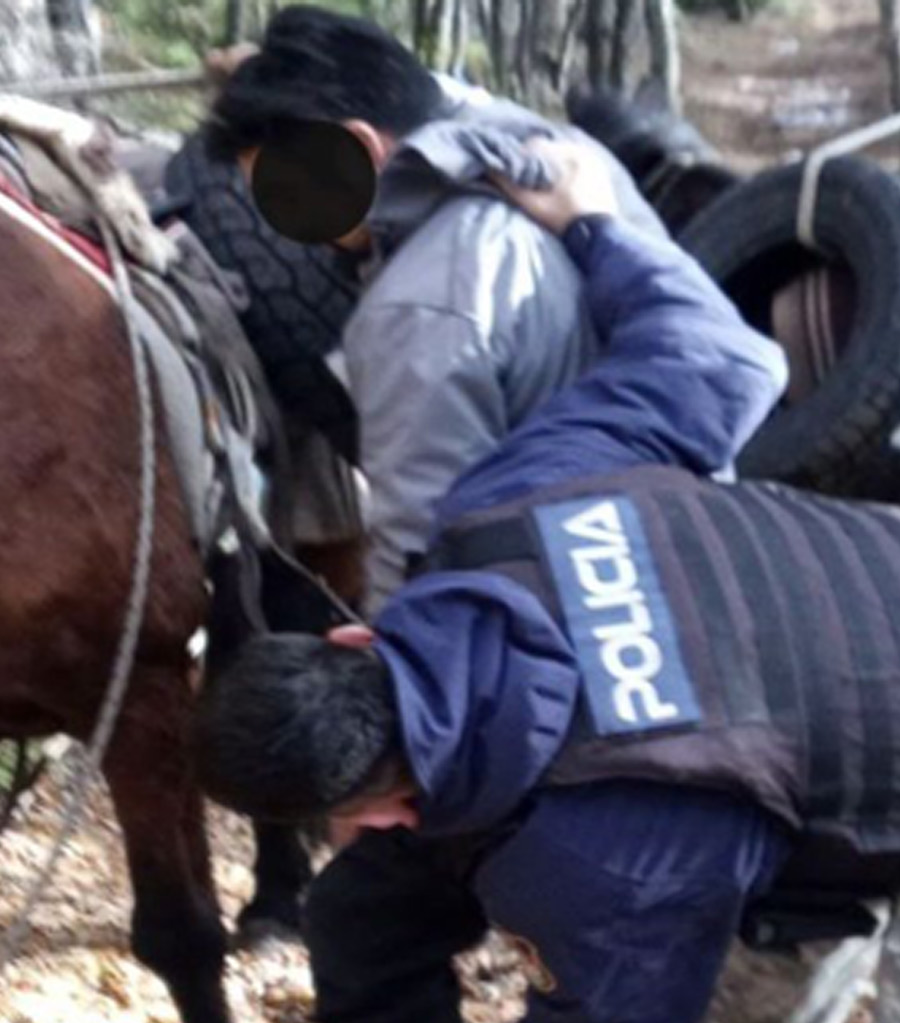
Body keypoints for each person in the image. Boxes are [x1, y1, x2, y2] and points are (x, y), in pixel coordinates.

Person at [194, 138, 900, 1023]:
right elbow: (722, 356)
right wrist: (590, 224)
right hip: (838, 730)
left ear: (390, 811)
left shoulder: (593, 861)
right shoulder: (502, 510)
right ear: (355, 636)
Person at [202, 5, 678, 611]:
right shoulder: (566, 155)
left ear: (359, 147)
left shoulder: (418, 312)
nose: (292, 233)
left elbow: (420, 563)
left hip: (584, 607)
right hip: (680, 537)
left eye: (287, 196)